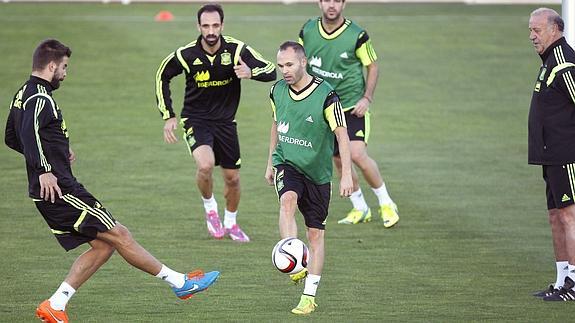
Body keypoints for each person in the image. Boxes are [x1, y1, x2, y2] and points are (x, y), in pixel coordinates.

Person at [4, 39, 220, 323]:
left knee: (104, 246)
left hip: (53, 188)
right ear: (52, 65)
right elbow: (29, 134)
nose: (66, 74)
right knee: (121, 235)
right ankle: (180, 284)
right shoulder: (39, 97)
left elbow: (11, 136)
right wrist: (45, 168)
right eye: (64, 67)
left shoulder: (23, 93)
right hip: (60, 189)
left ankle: (55, 305)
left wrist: (55, 151)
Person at [155, 3, 276, 242]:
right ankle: (210, 209)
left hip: (226, 123)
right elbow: (163, 75)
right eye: (206, 26)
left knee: (233, 178)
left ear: (222, 25)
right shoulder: (186, 54)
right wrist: (168, 114)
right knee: (205, 165)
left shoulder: (236, 49)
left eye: (215, 25)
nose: (211, 31)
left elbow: (271, 70)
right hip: (196, 119)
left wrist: (251, 73)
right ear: (198, 26)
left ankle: (230, 223)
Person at [265, 41, 353, 315]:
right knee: (287, 201)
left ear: (303, 62)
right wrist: (270, 161)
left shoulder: (327, 95)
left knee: (315, 233)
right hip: (287, 163)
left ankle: (309, 296)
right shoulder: (276, 90)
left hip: (318, 173)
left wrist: (346, 175)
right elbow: (277, 125)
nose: (284, 71)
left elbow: (341, 134)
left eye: (289, 65)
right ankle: (293, 260)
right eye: (280, 66)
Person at [298, 0, 399, 227]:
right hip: (325, 107)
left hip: (352, 107)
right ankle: (360, 207)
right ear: (319, 3)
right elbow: (299, 62)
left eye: (337, 0)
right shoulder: (308, 30)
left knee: (356, 154)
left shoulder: (357, 35)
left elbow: (372, 66)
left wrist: (367, 98)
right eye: (326, 0)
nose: (331, 5)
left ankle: (386, 202)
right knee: (338, 159)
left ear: (344, 4)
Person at [527, 8, 575, 301]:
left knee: (570, 217)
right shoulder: (548, 61)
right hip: (551, 154)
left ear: (556, 30)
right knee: (556, 217)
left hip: (566, 153)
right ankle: (561, 281)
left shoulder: (564, 62)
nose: (532, 36)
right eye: (530, 31)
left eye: (537, 30)